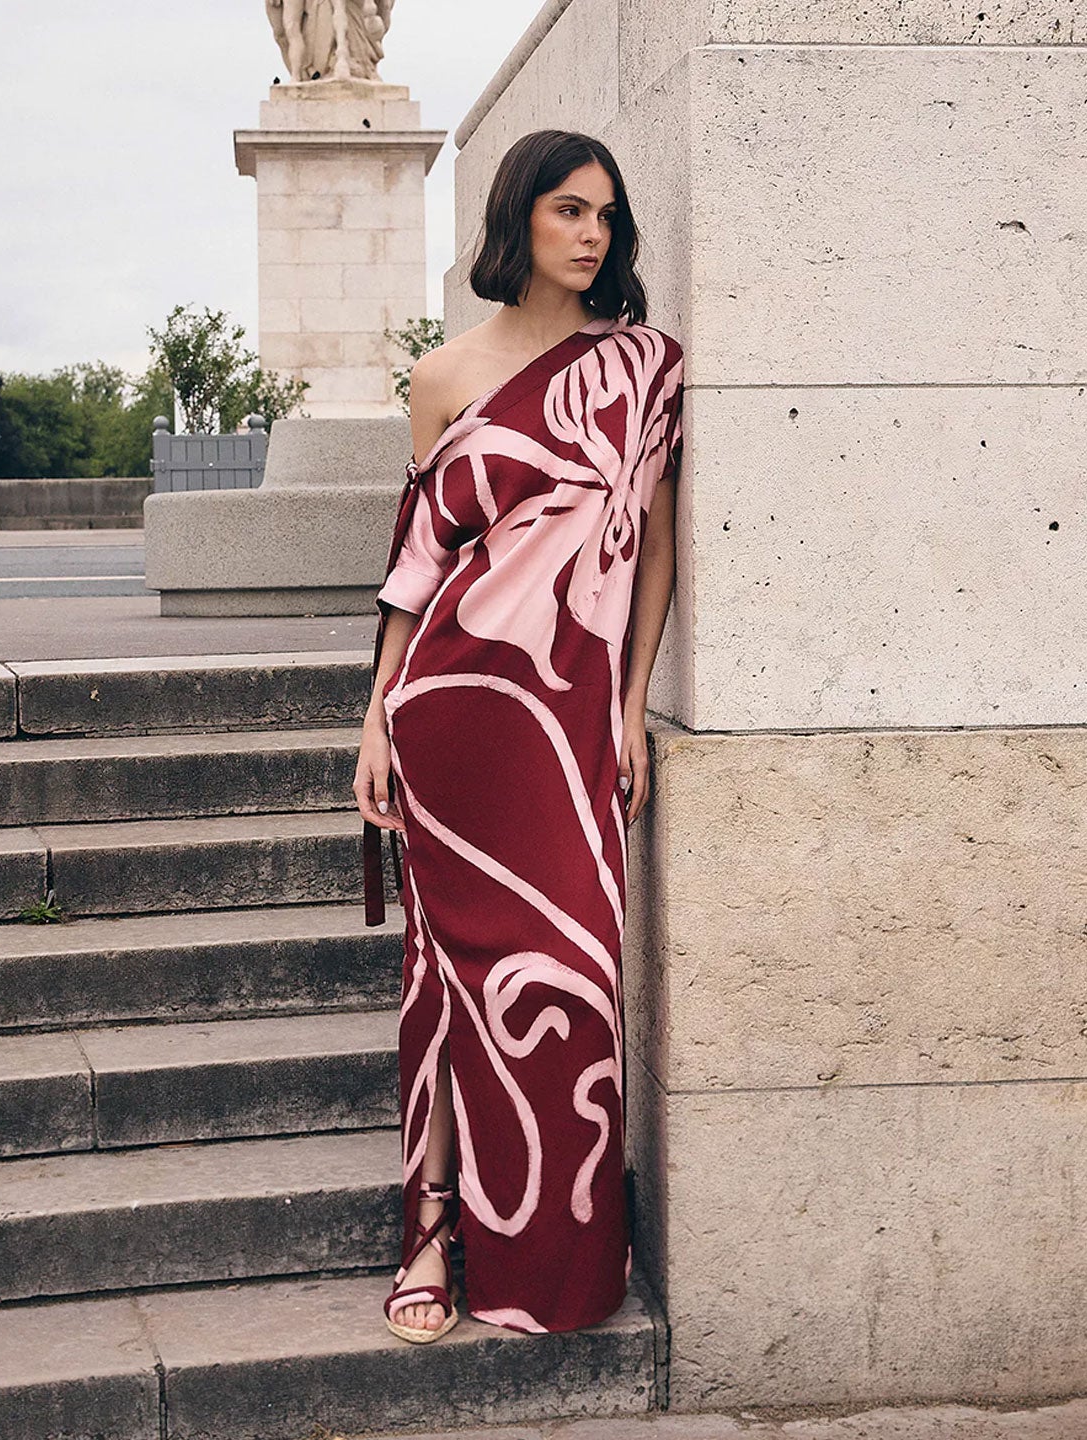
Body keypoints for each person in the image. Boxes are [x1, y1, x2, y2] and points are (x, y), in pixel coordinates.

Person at [352, 128, 685, 1343]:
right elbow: (417, 562)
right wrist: (376, 719)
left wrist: (630, 704)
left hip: (570, 720)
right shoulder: (443, 377)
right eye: (569, 211)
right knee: (450, 982)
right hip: (452, 711)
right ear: (520, 218)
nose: (593, 234)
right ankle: (431, 1234)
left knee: (573, 987)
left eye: (607, 214)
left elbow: (656, 551)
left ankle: (553, 1261)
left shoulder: (644, 367)